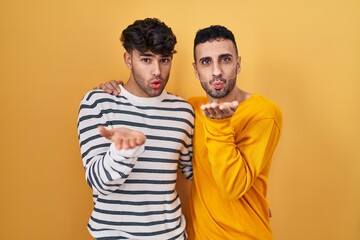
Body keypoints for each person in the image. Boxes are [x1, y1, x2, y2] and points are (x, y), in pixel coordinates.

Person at [97, 25, 282, 240]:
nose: (216, 71)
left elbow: (232, 188)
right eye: (206, 62)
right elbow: (193, 169)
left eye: (225, 59)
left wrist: (220, 125)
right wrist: (115, 89)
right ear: (196, 70)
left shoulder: (263, 112)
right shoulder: (191, 109)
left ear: (238, 64)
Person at [77, 18, 194, 239]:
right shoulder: (99, 103)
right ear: (128, 59)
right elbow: (98, 183)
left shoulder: (183, 111)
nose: (157, 71)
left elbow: (195, 172)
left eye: (165, 60)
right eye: (146, 60)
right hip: (116, 235)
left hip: (172, 234)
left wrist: (249, 202)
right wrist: (123, 150)